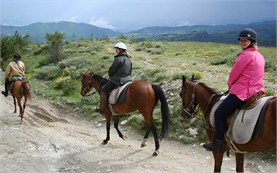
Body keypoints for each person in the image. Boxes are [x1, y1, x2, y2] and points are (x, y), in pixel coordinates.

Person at [203, 28, 266, 152]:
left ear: (251, 41)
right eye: (241, 40)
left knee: (219, 113)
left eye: (245, 40)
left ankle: (219, 142)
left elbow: (234, 74)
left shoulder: (245, 55)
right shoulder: (259, 56)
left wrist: (230, 84)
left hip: (243, 92)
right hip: (257, 90)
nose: (242, 42)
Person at [98, 42, 133, 113]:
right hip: (128, 80)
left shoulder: (118, 59)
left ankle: (102, 108)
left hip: (118, 80)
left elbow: (111, 71)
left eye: (116, 49)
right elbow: (130, 72)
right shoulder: (129, 60)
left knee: (103, 90)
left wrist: (110, 75)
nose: (115, 50)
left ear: (120, 50)